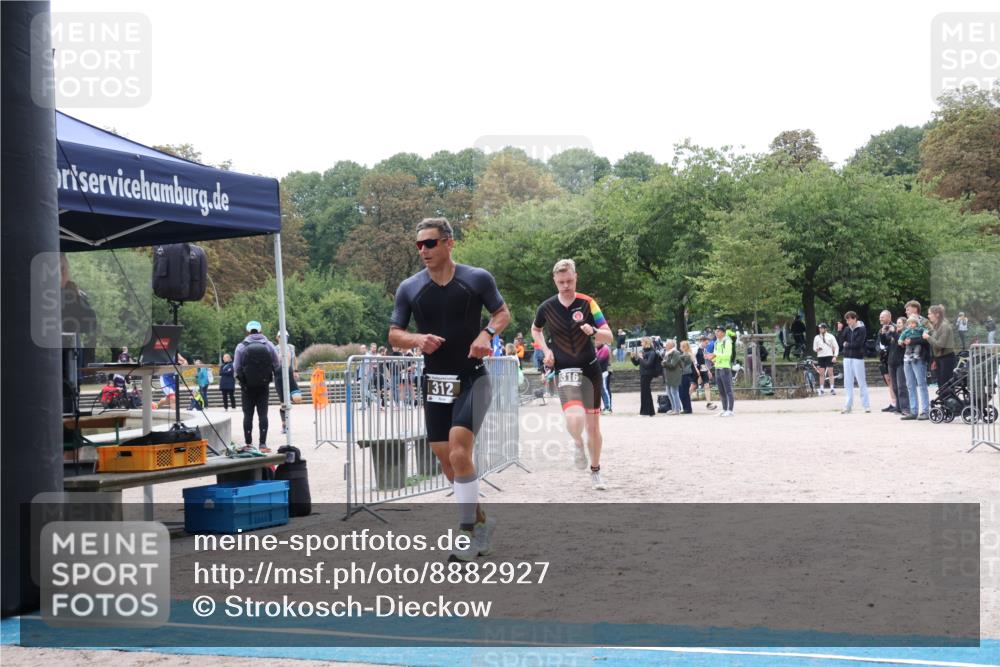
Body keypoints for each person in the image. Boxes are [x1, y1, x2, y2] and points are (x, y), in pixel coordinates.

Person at [388, 217, 509, 561]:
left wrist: (486, 334)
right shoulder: (410, 287)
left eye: (430, 243)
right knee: (447, 463)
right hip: (436, 383)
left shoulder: (476, 278)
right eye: (419, 245)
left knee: (459, 451)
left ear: (449, 243)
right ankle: (482, 521)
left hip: (473, 377)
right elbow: (394, 333)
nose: (423, 250)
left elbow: (502, 313)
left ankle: (467, 535)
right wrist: (417, 339)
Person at [532, 259, 615, 491]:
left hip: (590, 370)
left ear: (576, 277)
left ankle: (596, 471)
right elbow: (535, 329)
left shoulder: (588, 303)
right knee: (575, 419)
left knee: (593, 427)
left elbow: (608, 336)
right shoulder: (546, 307)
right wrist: (546, 350)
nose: (566, 286)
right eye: (561, 282)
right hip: (566, 370)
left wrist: (595, 330)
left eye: (569, 281)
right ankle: (577, 443)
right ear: (554, 281)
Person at [234, 320, 279, 452]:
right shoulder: (269, 345)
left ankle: (248, 444)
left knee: (248, 415)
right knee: (263, 415)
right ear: (260, 331)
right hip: (263, 386)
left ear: (248, 331)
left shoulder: (241, 346)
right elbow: (276, 364)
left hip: (247, 387)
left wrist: (243, 378)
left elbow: (236, 367)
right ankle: (263, 444)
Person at [838, 311, 870, 414]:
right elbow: (840, 342)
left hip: (857, 358)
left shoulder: (862, 329)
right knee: (847, 382)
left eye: (849, 319)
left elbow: (858, 344)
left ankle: (866, 405)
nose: (848, 321)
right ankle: (848, 406)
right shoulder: (846, 329)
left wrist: (847, 344)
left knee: (861, 381)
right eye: (846, 319)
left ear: (855, 318)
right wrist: (839, 331)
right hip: (847, 357)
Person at [899, 315, 930, 420]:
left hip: (919, 357)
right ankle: (913, 411)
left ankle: (925, 411)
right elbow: (902, 338)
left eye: (908, 309)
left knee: (921, 384)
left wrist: (911, 341)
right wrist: (903, 342)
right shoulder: (907, 328)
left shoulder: (924, 323)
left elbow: (925, 340)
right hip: (907, 358)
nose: (906, 312)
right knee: (910, 385)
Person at [923, 304, 958, 389]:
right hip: (940, 359)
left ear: (937, 314)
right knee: (941, 386)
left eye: (930, 313)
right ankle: (945, 402)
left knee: (946, 386)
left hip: (947, 359)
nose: (928, 316)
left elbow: (939, 345)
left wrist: (928, 337)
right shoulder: (937, 325)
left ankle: (950, 402)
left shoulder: (944, 326)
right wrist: (935, 360)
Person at [274, 331, 303, 435]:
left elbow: (295, 359)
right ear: (277, 338)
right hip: (279, 377)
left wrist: (295, 370)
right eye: (281, 337)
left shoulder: (291, 347)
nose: (284, 338)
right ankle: (284, 424)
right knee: (284, 404)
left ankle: (289, 398)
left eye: (286, 336)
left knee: (297, 398)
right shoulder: (275, 348)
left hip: (290, 375)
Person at [706, 325, 735, 417]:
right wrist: (711, 358)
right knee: (721, 391)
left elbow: (727, 355)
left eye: (718, 331)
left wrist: (714, 354)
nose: (716, 333)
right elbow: (716, 356)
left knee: (728, 390)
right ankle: (724, 409)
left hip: (725, 368)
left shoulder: (727, 341)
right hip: (717, 367)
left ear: (723, 332)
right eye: (716, 331)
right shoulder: (716, 342)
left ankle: (730, 410)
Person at [631, 337, 660, 417]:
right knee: (646, 392)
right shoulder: (644, 352)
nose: (641, 344)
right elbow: (637, 363)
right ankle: (650, 412)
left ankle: (645, 412)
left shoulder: (652, 352)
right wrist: (633, 358)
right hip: (644, 374)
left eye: (642, 342)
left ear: (646, 343)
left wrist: (640, 358)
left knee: (645, 393)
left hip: (648, 374)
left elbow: (648, 364)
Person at [875, 310, 898, 412]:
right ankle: (893, 402)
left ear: (889, 317)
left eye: (883, 317)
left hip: (891, 357)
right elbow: (877, 343)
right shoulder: (881, 330)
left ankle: (897, 403)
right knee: (888, 381)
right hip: (883, 358)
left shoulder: (894, 328)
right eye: (880, 317)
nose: (880, 319)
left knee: (893, 381)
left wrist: (886, 349)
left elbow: (892, 342)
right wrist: (879, 350)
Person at [886, 317, 910, 417]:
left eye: (899, 323)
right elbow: (884, 342)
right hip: (891, 362)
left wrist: (893, 333)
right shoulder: (894, 334)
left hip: (900, 362)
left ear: (904, 324)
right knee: (895, 387)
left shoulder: (904, 334)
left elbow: (901, 343)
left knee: (901, 386)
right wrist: (883, 333)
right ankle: (898, 407)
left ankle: (905, 408)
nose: (898, 324)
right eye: (897, 323)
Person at [813, 322, 839, 395]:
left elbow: (836, 346)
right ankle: (821, 389)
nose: (820, 330)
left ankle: (832, 388)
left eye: (821, 328)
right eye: (819, 328)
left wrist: (835, 356)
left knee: (830, 372)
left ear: (825, 329)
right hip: (821, 356)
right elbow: (814, 348)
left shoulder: (831, 336)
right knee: (821, 373)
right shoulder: (817, 337)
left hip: (829, 355)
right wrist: (817, 349)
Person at [661, 339, 683, 415]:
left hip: (674, 375)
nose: (665, 346)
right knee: (669, 393)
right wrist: (664, 363)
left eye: (667, 344)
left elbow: (673, 364)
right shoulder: (667, 353)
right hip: (668, 375)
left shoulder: (676, 353)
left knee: (674, 392)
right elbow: (664, 363)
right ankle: (673, 408)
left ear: (671, 345)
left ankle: (677, 409)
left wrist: (664, 363)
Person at [696, 335, 717, 410]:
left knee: (707, 385)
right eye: (706, 343)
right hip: (696, 369)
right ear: (702, 341)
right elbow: (693, 360)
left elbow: (705, 361)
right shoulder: (696, 349)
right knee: (693, 386)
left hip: (703, 368)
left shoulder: (704, 350)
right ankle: (684, 400)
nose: (707, 344)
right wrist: (696, 370)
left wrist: (708, 371)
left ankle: (709, 403)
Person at [678, 340, 696, 414]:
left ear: (684, 347)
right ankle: (686, 408)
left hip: (685, 375)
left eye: (681, 346)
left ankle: (687, 409)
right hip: (683, 374)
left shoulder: (687, 355)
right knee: (682, 392)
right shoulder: (685, 354)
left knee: (684, 392)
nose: (679, 348)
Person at [595, 340, 613, 413]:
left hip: (605, 371)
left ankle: (608, 407)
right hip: (598, 372)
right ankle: (601, 407)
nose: (595, 342)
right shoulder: (596, 349)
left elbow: (599, 361)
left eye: (597, 341)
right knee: (600, 390)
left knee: (605, 389)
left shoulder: (605, 348)